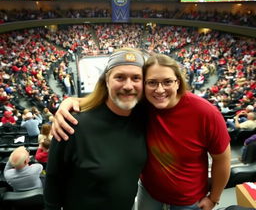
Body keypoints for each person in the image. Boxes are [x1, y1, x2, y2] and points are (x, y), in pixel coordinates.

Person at [52, 53, 231, 209]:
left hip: (189, 200)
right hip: (149, 194)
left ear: (178, 82)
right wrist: (69, 103)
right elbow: (111, 100)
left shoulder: (206, 113)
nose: (160, 90)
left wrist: (213, 198)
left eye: (167, 82)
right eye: (152, 83)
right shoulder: (145, 106)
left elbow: (222, 159)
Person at [44, 48, 147, 210]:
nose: (128, 86)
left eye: (136, 78)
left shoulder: (144, 119)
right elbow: (53, 180)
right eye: (119, 77)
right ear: (106, 80)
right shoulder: (72, 124)